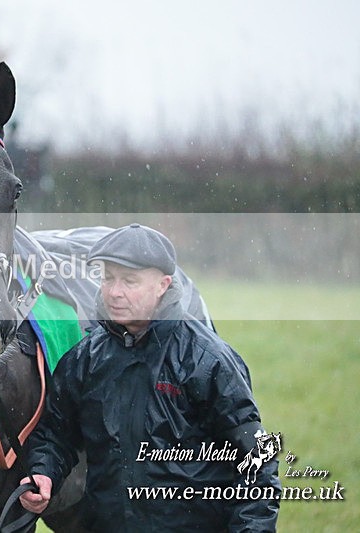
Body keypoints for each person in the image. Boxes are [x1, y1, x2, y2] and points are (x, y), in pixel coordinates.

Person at [19, 223, 281, 531]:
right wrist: (44, 472)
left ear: (162, 285)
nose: (114, 292)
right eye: (107, 278)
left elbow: (257, 462)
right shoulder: (84, 359)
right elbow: (55, 434)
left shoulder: (207, 361)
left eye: (129, 281)